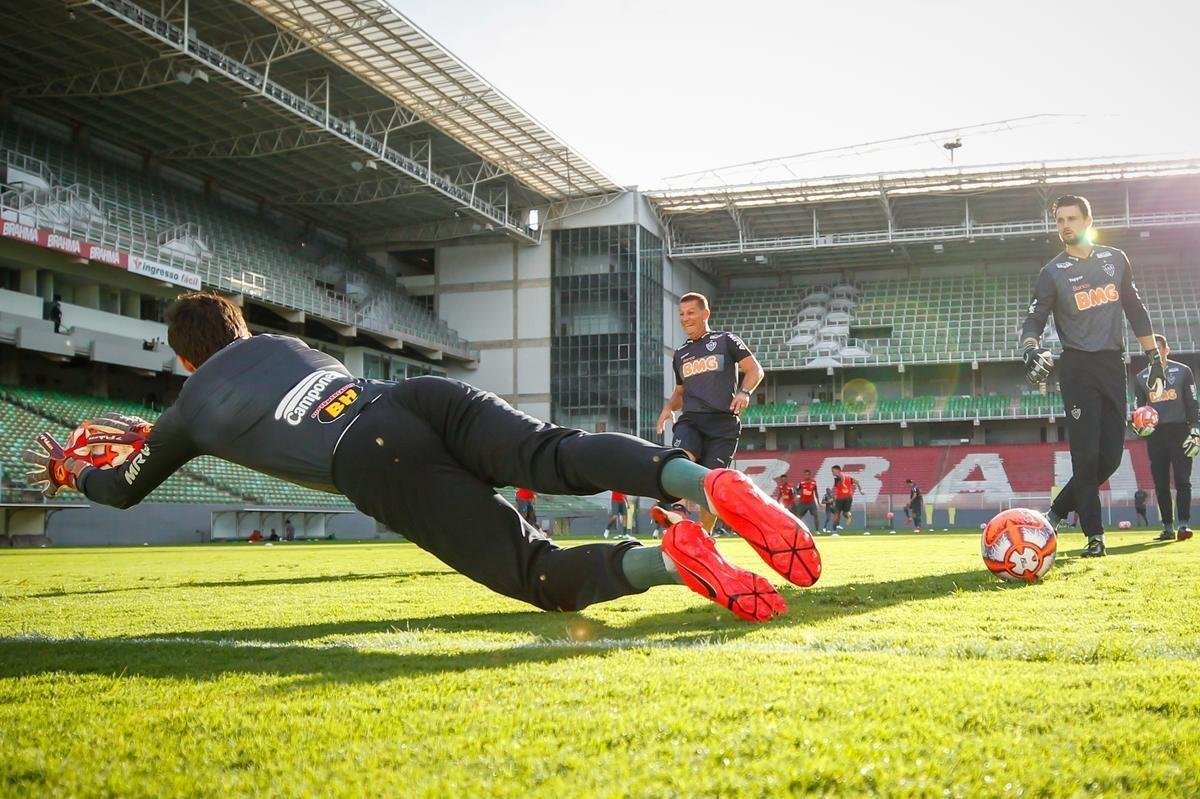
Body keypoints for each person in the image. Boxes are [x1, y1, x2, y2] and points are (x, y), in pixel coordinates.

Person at [23, 292, 821, 622]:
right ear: (238, 329)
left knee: (535, 569)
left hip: (370, 460)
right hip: (407, 397)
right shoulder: (280, 340)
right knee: (557, 452)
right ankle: (702, 480)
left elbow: (122, 490)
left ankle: (674, 564)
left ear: (188, 361)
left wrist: (74, 471)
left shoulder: (190, 407)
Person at [1020, 194, 1165, 558]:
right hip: (1077, 368)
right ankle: (1094, 536)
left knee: (1111, 458)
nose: (1065, 225)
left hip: (1113, 365)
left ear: (1088, 220)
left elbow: (1134, 308)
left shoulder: (1116, 260)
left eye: (1071, 218)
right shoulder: (1052, 272)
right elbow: (1034, 319)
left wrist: (1154, 358)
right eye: (1059, 220)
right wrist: (1030, 347)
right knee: (1085, 457)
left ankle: (1055, 511)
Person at [656, 292, 765, 534]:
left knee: (710, 487)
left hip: (723, 424)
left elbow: (754, 370)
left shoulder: (726, 340)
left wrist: (744, 392)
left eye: (691, 312)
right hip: (691, 419)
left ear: (705, 314)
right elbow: (680, 392)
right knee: (681, 457)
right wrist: (667, 407)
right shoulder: (680, 354)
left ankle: (703, 539)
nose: (685, 318)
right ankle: (679, 508)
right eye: (681, 314)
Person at [1134, 334, 1199, 542]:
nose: (1156, 353)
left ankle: (1183, 525)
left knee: (1182, 480)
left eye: (1159, 349)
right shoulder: (1141, 377)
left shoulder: (1183, 371)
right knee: (1160, 482)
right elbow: (1139, 409)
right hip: (1156, 434)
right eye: (1152, 350)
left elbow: (1192, 403)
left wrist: (1195, 429)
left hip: (1180, 431)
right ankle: (1167, 527)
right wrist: (1138, 425)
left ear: (1166, 350)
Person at [829, 465, 861, 531]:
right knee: (844, 513)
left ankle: (834, 531)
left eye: (833, 471)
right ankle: (849, 516)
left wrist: (842, 482)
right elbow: (857, 482)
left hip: (840, 498)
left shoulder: (837, 477)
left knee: (836, 513)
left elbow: (841, 478)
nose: (832, 472)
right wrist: (861, 491)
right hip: (849, 497)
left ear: (837, 470)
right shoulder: (848, 477)